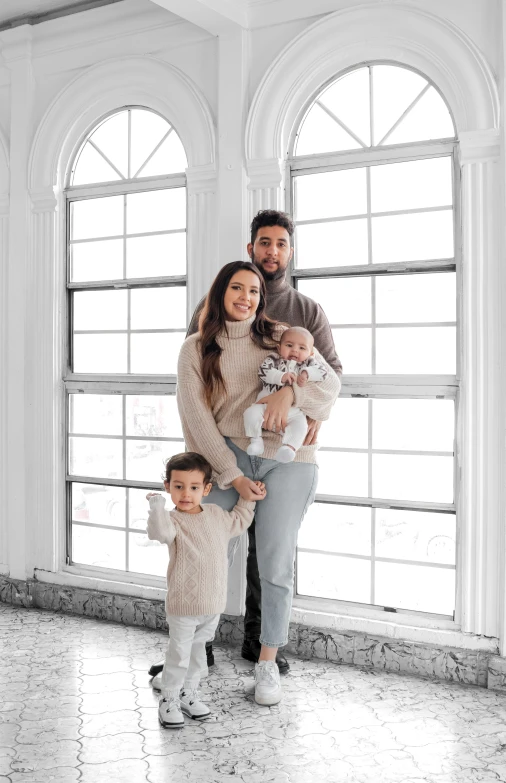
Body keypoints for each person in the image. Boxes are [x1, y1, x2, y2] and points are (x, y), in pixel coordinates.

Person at [148, 209, 342, 679]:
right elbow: (194, 410)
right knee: (202, 551)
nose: (247, 295)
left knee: (274, 564)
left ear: (288, 253)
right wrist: (230, 472)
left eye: (253, 291)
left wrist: (296, 395)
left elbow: (330, 381)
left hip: (289, 459)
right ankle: (193, 653)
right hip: (228, 456)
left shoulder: (286, 331)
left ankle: (266, 661)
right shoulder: (197, 343)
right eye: (238, 287)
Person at [146, 451, 259, 728]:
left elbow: (240, 520)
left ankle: (189, 692)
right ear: (168, 487)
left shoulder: (215, 515)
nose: (186, 493)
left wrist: (248, 497)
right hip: (184, 604)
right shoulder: (173, 521)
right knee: (179, 653)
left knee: (199, 654)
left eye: (194, 487)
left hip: (212, 604)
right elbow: (159, 533)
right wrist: (157, 508)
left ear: (206, 489)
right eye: (178, 486)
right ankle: (169, 698)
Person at [244, 326, 328, 462]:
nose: (295, 350)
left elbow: (323, 373)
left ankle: (289, 448)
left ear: (311, 354)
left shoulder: (310, 363)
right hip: (265, 406)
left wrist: (307, 373)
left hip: (294, 412)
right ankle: (256, 440)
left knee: (301, 426)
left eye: (302, 348)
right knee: (250, 413)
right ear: (279, 348)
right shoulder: (274, 359)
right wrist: (281, 376)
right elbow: (263, 372)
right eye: (289, 345)